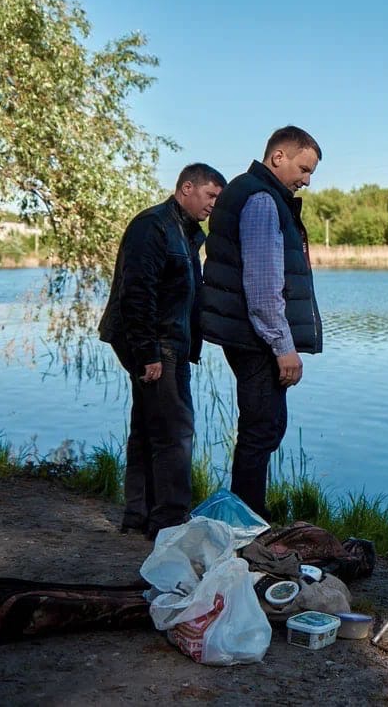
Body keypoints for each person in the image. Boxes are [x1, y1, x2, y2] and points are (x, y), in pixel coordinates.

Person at [200, 125, 323, 520]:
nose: (306, 180)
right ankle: (246, 528)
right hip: (256, 339)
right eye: (303, 169)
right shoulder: (261, 200)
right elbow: (263, 284)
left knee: (264, 428)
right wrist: (284, 347)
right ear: (278, 157)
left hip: (246, 335)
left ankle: (248, 519)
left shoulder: (251, 192)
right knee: (260, 432)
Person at [99, 163, 227, 540]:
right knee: (175, 430)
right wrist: (148, 353)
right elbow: (137, 293)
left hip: (167, 342)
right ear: (187, 188)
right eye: (211, 196)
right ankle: (169, 522)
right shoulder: (153, 226)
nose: (213, 205)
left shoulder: (186, 233)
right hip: (157, 343)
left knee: (148, 426)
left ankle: (139, 516)